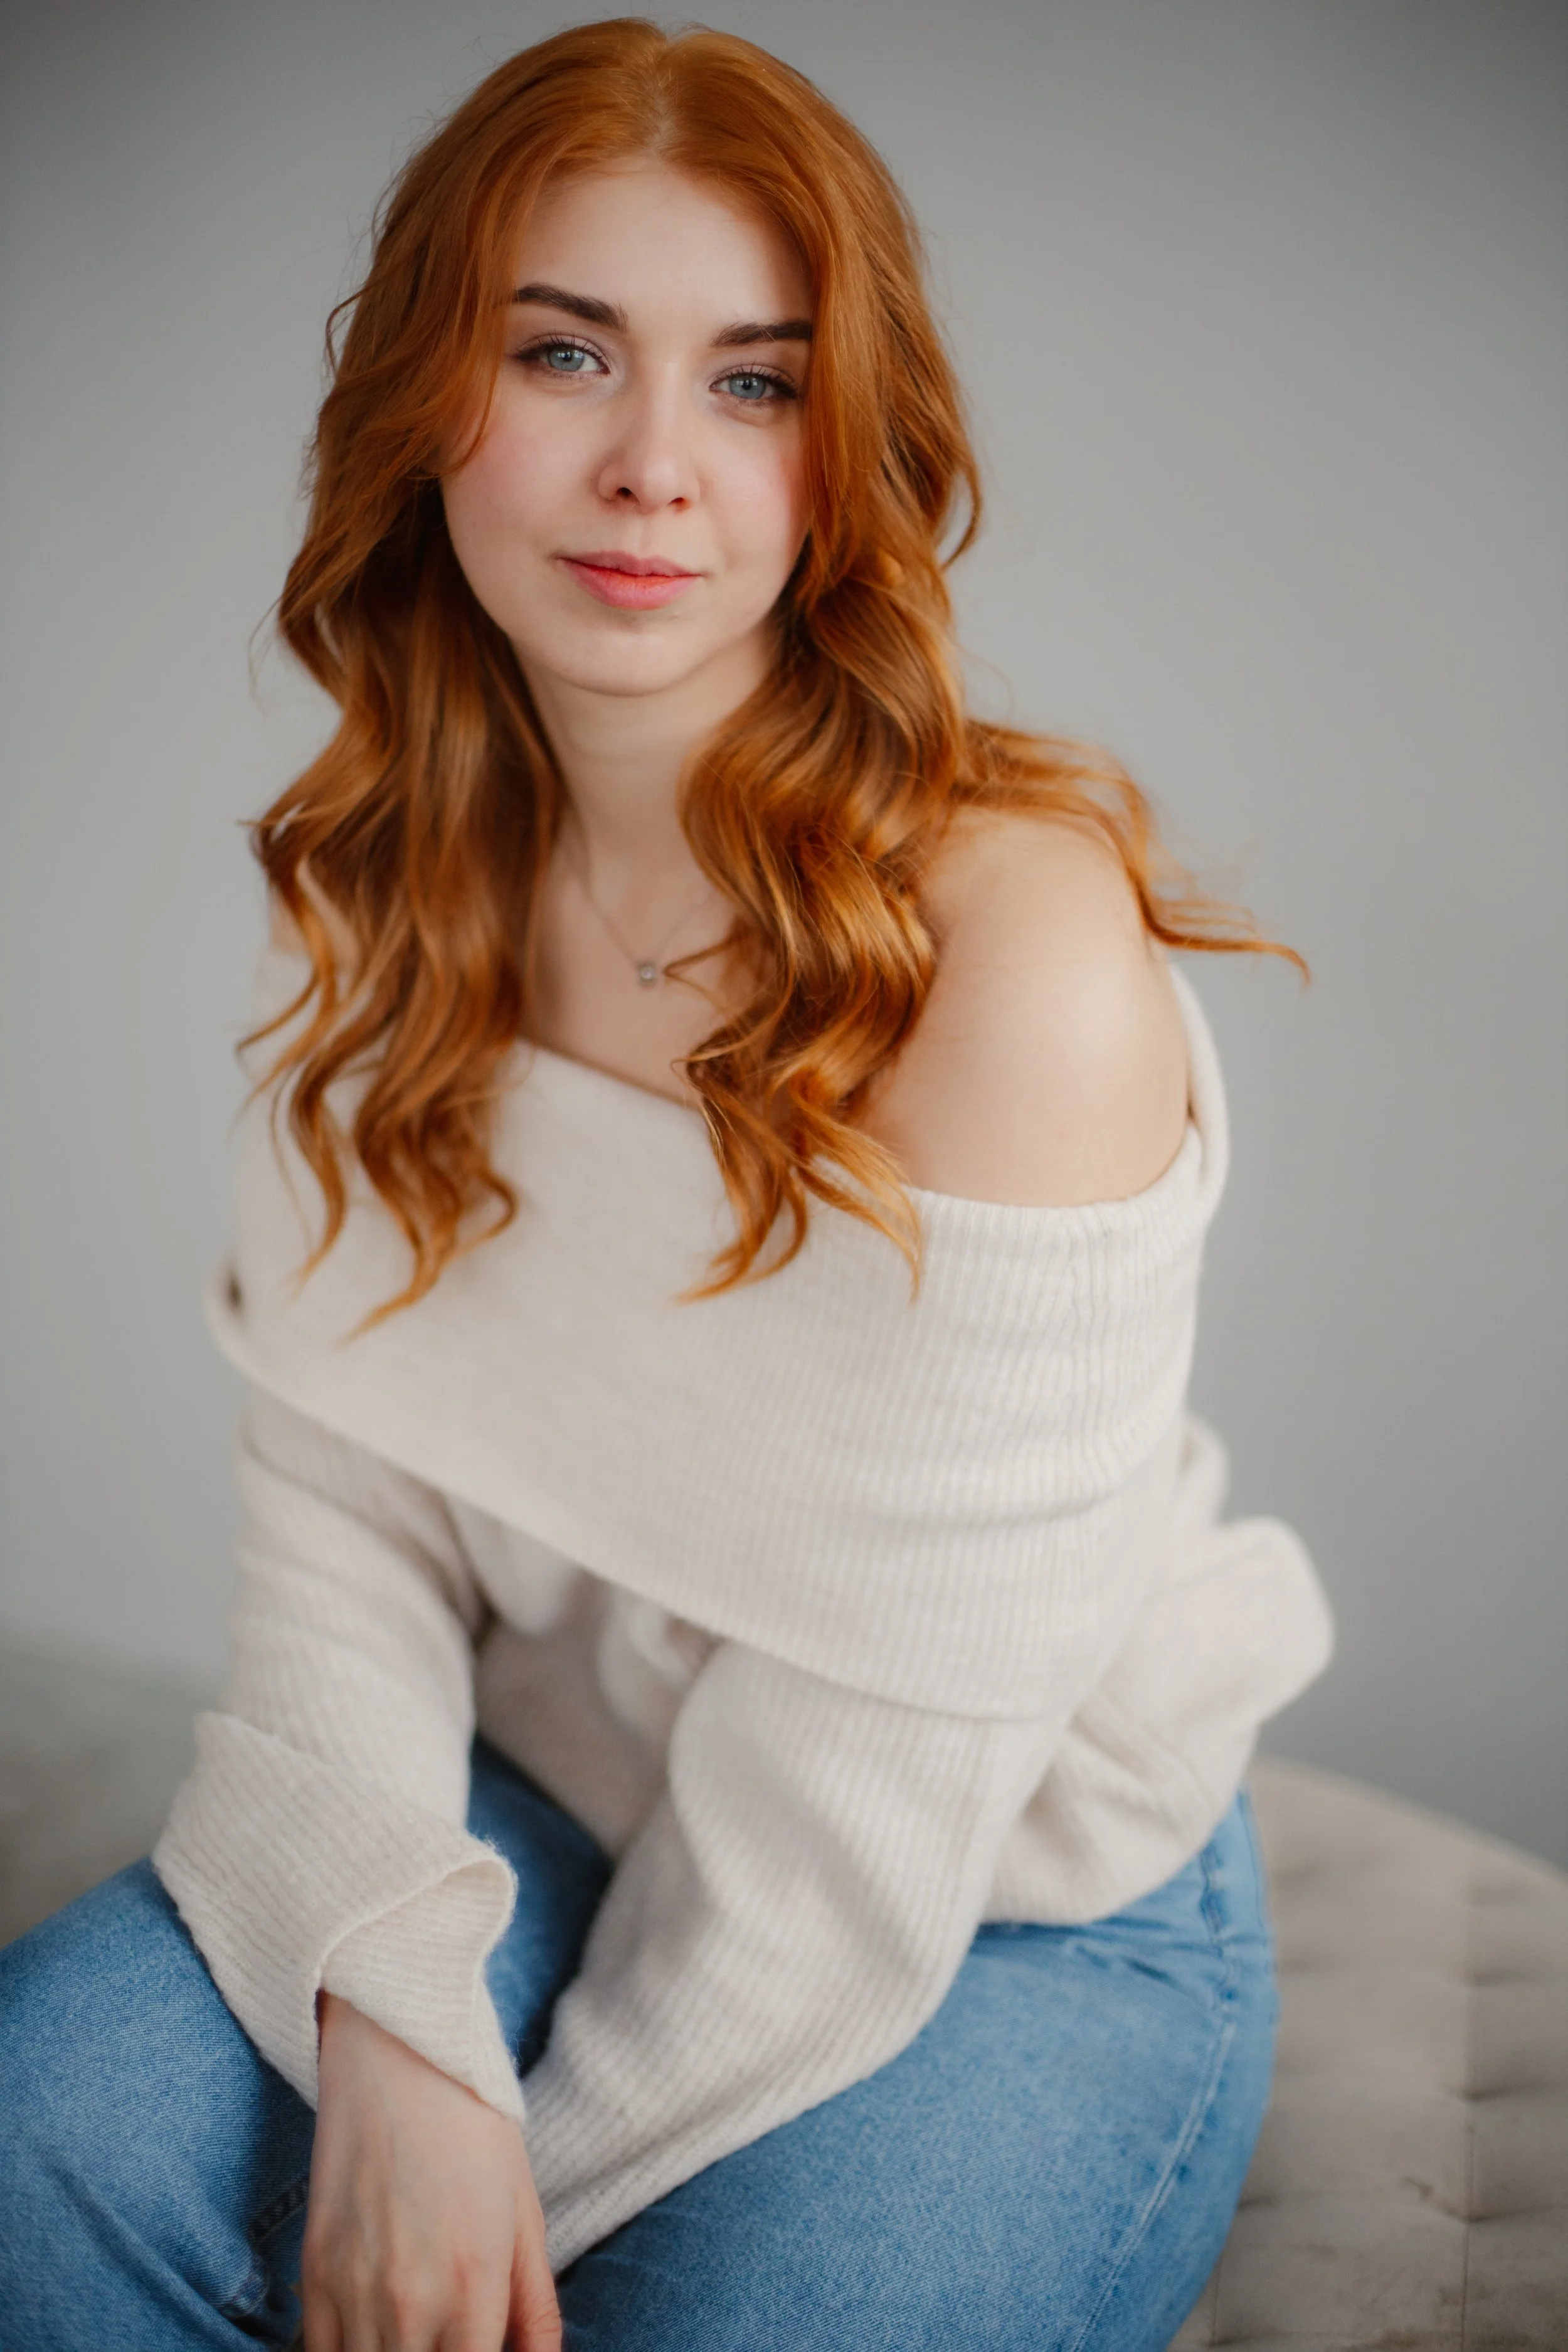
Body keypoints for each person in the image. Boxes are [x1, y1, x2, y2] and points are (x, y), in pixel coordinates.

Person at [0, 19, 1334, 2349]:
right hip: (563, 1781)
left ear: (848, 444)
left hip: (999, 1872)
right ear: (434, 396)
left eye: (751, 381)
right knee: (41, 2128)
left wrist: (524, 2182)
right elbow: (353, 1526)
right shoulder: (376, 886)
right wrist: (402, 2027)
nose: (648, 470)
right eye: (563, 354)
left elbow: (864, 1792)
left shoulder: (1007, 950)